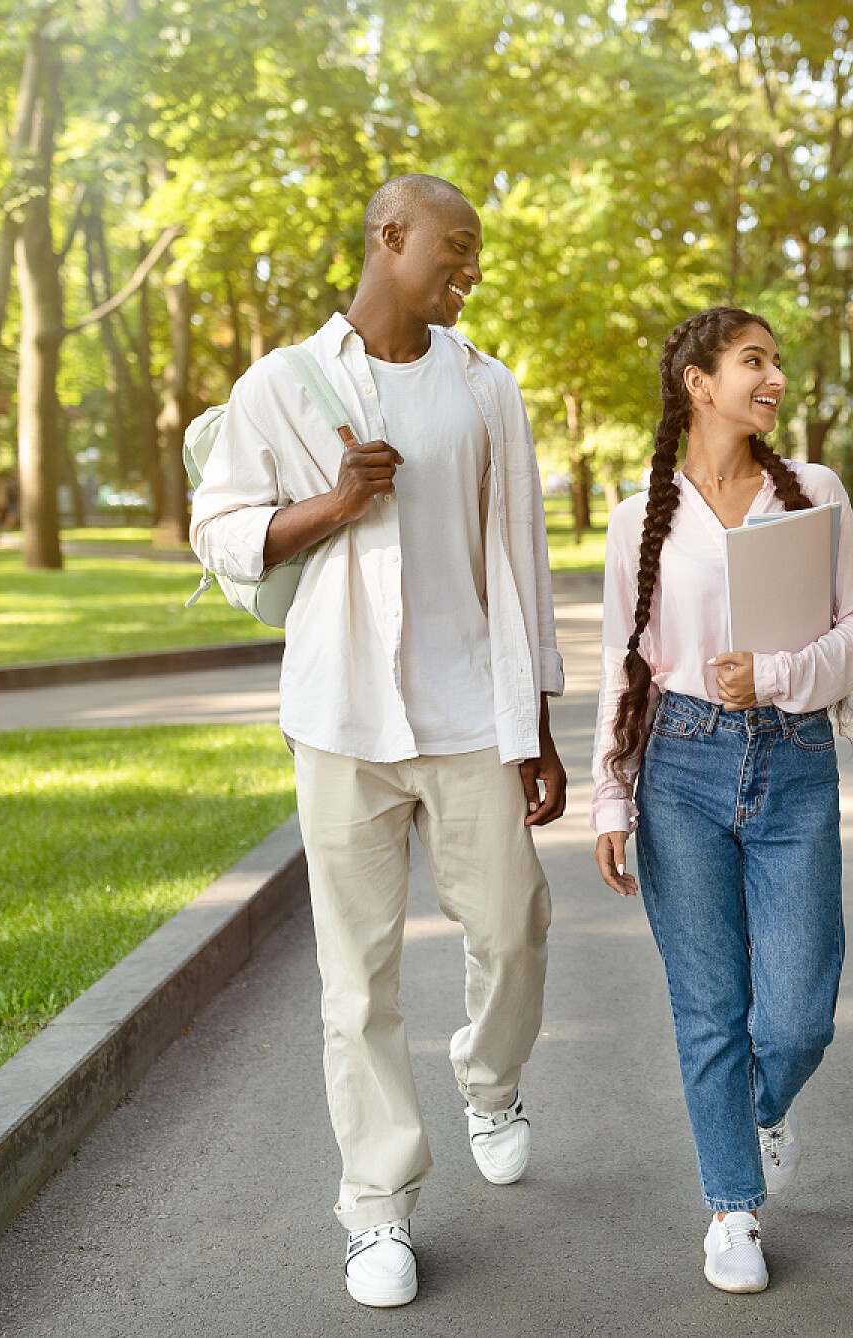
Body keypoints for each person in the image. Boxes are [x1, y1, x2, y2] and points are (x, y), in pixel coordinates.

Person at [190, 175, 566, 1309]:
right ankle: (376, 1207)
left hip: (466, 713)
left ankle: (490, 1084)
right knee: (356, 981)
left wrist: (537, 718)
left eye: (477, 252)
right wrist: (330, 507)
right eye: (455, 247)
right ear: (388, 238)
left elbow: (523, 556)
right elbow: (221, 535)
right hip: (341, 718)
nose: (472, 269)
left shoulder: (486, 387)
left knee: (513, 927)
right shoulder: (279, 386)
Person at [590, 307, 853, 1295]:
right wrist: (610, 794)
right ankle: (732, 1208)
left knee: (800, 1012)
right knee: (708, 1005)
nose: (775, 379)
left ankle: (758, 1110)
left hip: (795, 759)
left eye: (777, 362)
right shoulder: (642, 515)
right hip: (679, 767)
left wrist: (782, 674)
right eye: (753, 361)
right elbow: (622, 661)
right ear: (698, 383)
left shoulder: (816, 497)